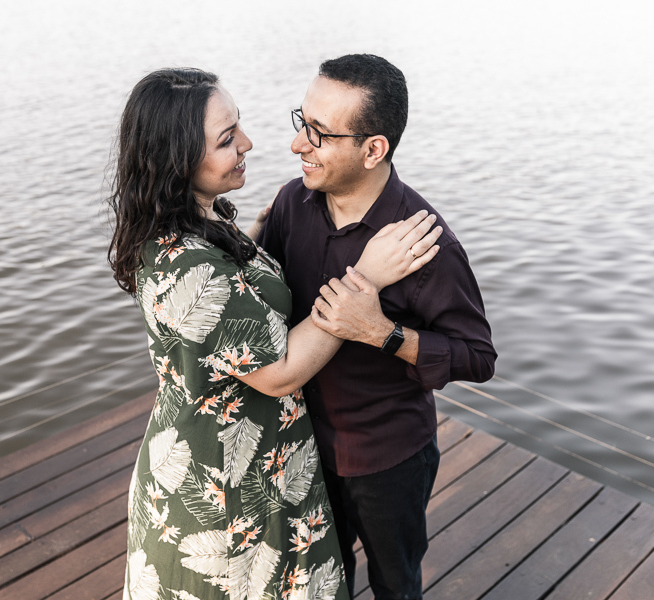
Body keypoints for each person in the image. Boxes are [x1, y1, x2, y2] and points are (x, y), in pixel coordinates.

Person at [106, 68, 443, 600]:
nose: (249, 143)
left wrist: (257, 237)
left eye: (237, 125)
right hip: (222, 483)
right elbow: (280, 371)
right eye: (226, 139)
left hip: (266, 457)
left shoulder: (205, 218)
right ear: (178, 162)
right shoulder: (186, 263)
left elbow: (233, 297)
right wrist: (368, 275)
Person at [256, 54, 497, 600]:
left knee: (396, 585)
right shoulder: (291, 203)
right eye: (302, 122)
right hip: (300, 447)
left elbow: (478, 357)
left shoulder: (425, 245)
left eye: (319, 134)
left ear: (373, 149)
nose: (298, 145)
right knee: (320, 583)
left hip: (388, 457)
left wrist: (384, 333)